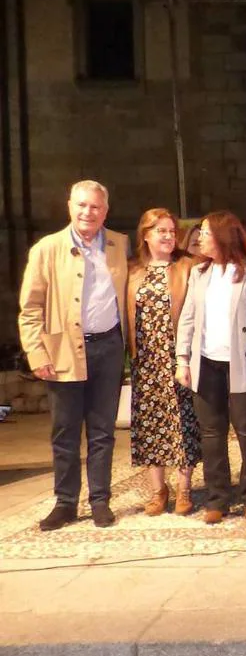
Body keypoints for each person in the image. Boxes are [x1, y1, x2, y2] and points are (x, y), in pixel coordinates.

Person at [18, 180, 129, 531]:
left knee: (102, 430)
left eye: (95, 207)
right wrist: (37, 353)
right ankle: (65, 502)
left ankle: (100, 500)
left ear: (105, 211)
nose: (88, 212)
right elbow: (30, 308)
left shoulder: (118, 244)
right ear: (69, 207)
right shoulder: (46, 249)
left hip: (108, 347)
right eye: (81, 205)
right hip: (64, 349)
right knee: (65, 431)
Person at [176, 212, 246, 525]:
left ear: (222, 236)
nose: (199, 238)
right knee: (212, 433)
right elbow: (188, 317)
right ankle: (218, 498)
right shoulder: (199, 273)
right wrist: (183, 359)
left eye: (204, 232)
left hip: (244, 363)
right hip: (207, 363)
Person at [125, 208, 201, 516]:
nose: (169, 236)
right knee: (149, 426)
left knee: (183, 423)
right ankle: (159, 490)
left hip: (178, 357)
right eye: (162, 231)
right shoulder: (131, 271)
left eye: (172, 231)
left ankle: (184, 489)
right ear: (146, 235)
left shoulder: (187, 266)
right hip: (145, 361)